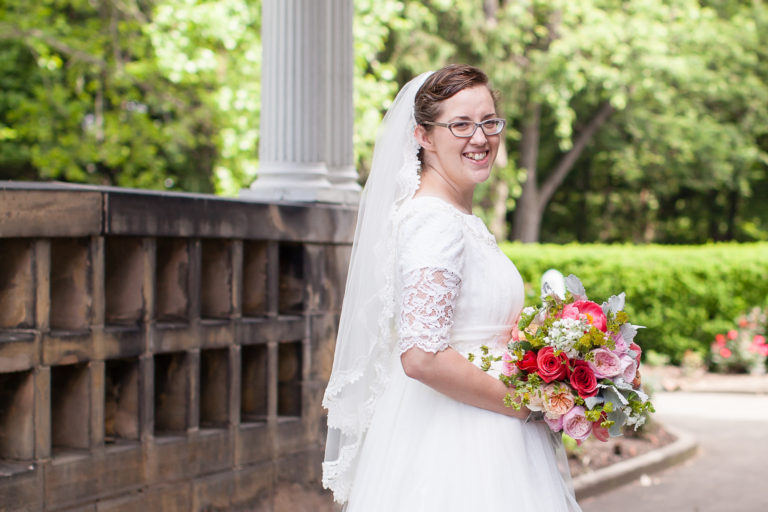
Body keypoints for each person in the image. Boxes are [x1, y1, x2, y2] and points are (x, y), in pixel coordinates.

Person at [322, 64, 581, 511]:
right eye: (460, 124)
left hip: (487, 430)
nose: (480, 138)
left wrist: (543, 349)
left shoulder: (455, 218)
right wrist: (524, 403)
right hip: (458, 441)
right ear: (423, 135)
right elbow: (422, 357)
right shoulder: (434, 223)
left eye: (488, 122)